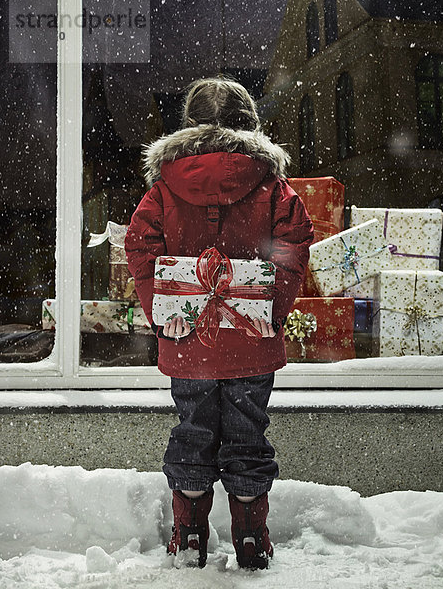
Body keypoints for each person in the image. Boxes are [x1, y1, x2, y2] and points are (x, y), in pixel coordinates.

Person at [125, 77, 314, 569]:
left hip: (188, 341)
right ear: (249, 124)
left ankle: (188, 536)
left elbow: (140, 245)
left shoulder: (166, 184)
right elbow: (295, 241)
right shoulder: (272, 185)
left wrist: (163, 308)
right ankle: (251, 537)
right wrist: (270, 305)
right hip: (251, 341)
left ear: (189, 126)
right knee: (248, 434)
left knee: (193, 430)